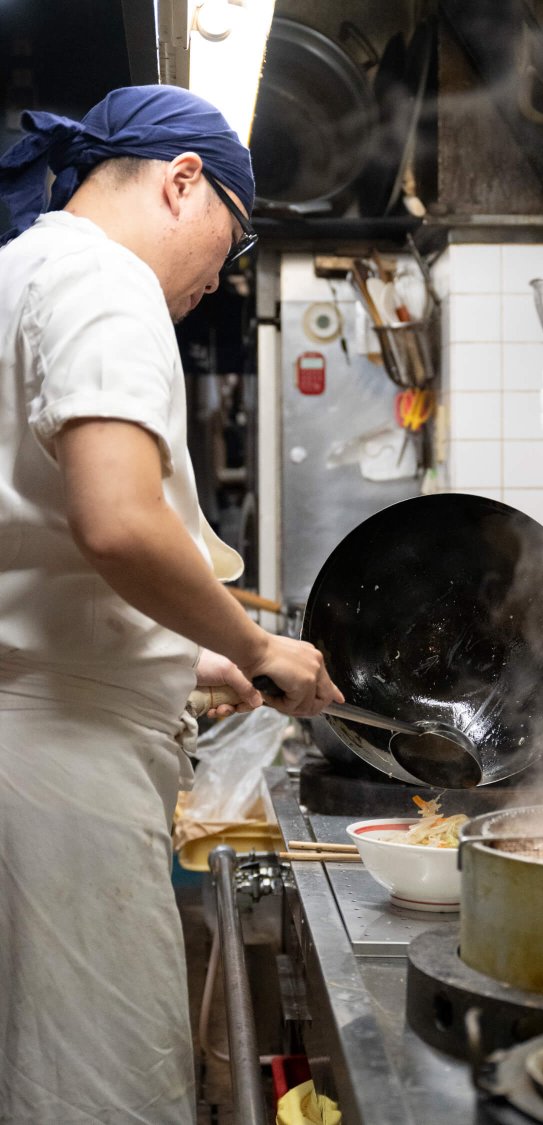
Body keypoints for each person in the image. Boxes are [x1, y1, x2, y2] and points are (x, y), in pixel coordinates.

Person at [0, 84, 343, 1123]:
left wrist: (195, 657)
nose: (218, 282)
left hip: (32, 733)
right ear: (183, 182)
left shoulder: (20, 269)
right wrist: (259, 646)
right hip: (64, 765)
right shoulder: (106, 280)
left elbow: (34, 551)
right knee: (98, 1091)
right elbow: (116, 520)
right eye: (233, 246)